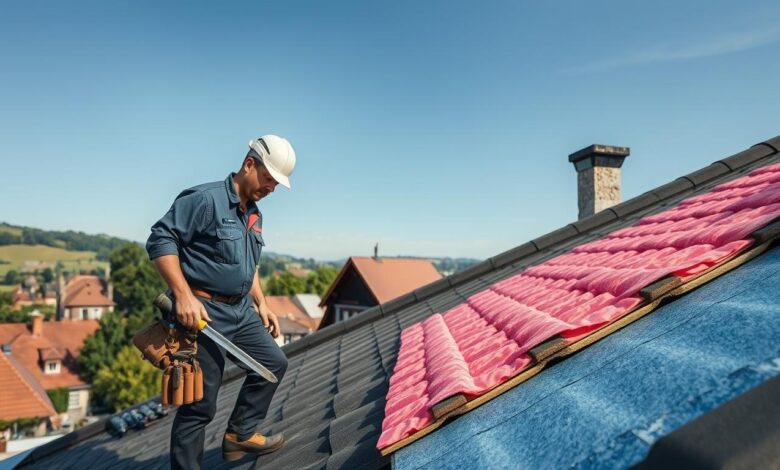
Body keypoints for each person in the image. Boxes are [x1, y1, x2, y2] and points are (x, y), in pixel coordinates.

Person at [145, 135, 296, 469]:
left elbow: (248, 265)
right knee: (199, 405)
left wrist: (262, 302)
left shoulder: (253, 215)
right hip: (203, 314)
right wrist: (183, 295)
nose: (271, 188)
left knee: (273, 364)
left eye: (276, 183)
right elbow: (160, 239)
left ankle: (239, 434)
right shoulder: (205, 200)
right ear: (249, 164)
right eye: (269, 179)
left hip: (242, 311)